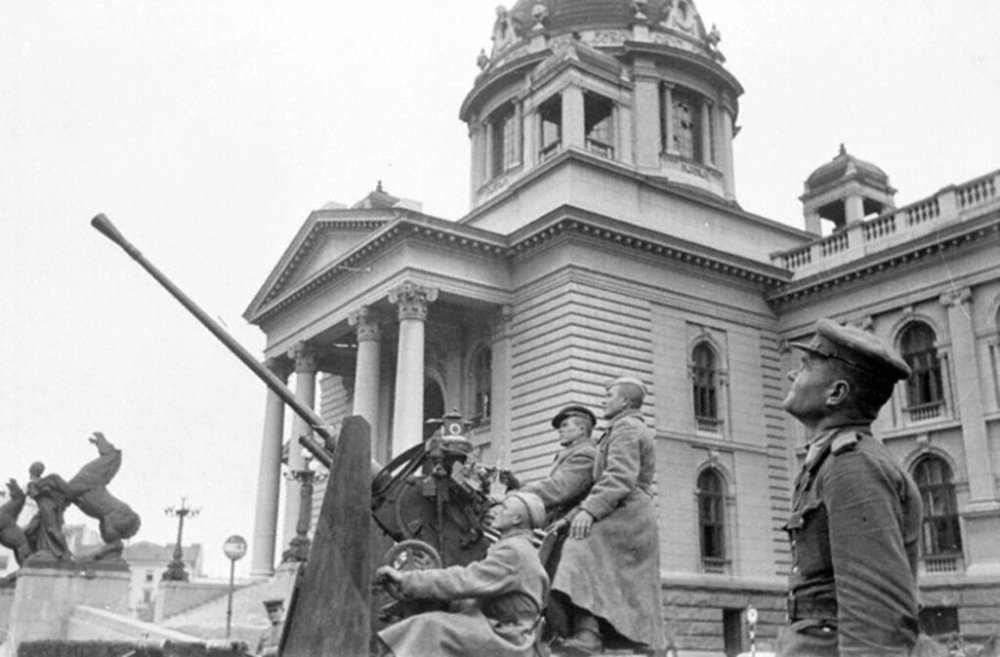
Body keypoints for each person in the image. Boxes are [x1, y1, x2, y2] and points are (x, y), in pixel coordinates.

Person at [777, 318, 922, 657]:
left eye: (805, 365)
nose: (791, 375)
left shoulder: (852, 465)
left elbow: (876, 618)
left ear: (837, 393)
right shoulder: (832, 461)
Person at [551, 377, 666, 655]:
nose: (604, 400)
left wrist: (588, 513)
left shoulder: (626, 428)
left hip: (628, 512)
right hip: (625, 509)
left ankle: (588, 634)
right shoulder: (621, 428)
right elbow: (603, 484)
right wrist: (569, 518)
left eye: (608, 395)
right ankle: (605, 634)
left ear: (624, 401)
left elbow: (619, 477)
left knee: (579, 548)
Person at [375, 491, 549, 657]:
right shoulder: (519, 547)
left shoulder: (514, 551)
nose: (495, 512)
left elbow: (464, 579)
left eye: (503, 508)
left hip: (507, 637)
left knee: (428, 626)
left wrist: (407, 580)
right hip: (507, 630)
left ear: (516, 519)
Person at [23, 461, 72, 561]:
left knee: (52, 530)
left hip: (48, 510)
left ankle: (66, 551)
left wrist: (43, 489)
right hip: (43, 511)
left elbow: (34, 494)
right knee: (29, 531)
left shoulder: (36, 483)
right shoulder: (46, 482)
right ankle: (37, 551)